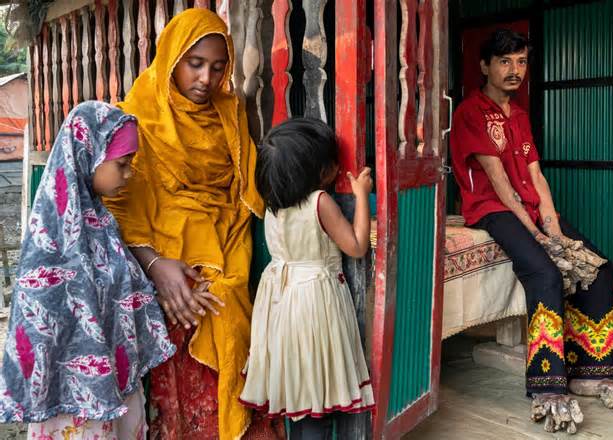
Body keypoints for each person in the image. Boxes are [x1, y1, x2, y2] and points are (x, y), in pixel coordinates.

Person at [450, 29, 613, 433]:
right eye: (505, 62)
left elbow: (536, 175)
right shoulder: (471, 111)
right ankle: (548, 384)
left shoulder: (519, 115)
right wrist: (536, 234)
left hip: (532, 208)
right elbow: (498, 178)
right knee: (544, 272)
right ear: (485, 66)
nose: (514, 70)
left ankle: (591, 372)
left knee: (598, 267)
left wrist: (553, 224)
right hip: (492, 209)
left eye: (521, 62)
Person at [103, 8, 269, 439]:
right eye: (195, 65)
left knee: (222, 305)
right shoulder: (136, 116)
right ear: (172, 59)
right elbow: (117, 211)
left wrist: (219, 272)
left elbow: (240, 201)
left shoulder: (231, 113)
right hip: (155, 256)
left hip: (224, 250)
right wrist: (156, 266)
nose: (206, 79)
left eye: (218, 68)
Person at [0, 101, 175, 439]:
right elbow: (41, 323)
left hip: (116, 394)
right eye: (122, 164)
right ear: (89, 154)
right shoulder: (51, 237)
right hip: (73, 412)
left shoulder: (101, 224)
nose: (128, 174)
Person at [240, 118, 375, 439]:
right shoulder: (320, 202)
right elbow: (356, 246)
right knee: (317, 392)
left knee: (299, 389)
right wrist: (361, 196)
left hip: (281, 303)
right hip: (315, 303)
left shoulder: (273, 205)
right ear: (318, 171)